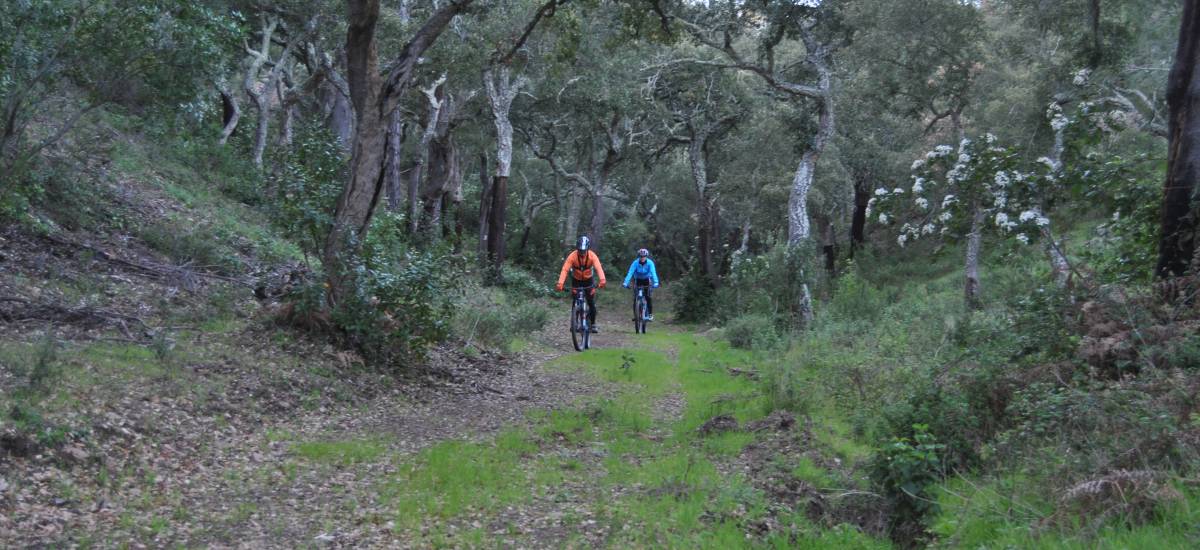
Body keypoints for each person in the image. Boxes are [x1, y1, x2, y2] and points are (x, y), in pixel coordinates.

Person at [556, 235, 606, 333]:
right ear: (577, 248)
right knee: (575, 301)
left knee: (591, 302)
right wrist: (560, 283)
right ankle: (574, 322)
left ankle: (593, 324)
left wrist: (602, 280)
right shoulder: (572, 256)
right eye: (580, 250)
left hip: (589, 280)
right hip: (576, 280)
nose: (582, 253)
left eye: (584, 251)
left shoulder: (592, 256)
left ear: (587, 249)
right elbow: (565, 269)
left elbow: (598, 268)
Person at [622, 248, 660, 321]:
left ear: (646, 256)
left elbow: (653, 272)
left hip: (647, 280)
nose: (642, 258)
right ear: (639, 256)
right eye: (641, 256)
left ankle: (650, 315)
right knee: (636, 299)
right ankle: (636, 315)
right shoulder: (635, 263)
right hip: (638, 280)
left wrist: (656, 282)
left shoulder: (650, 263)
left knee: (648, 297)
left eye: (644, 256)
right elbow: (630, 273)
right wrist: (625, 282)